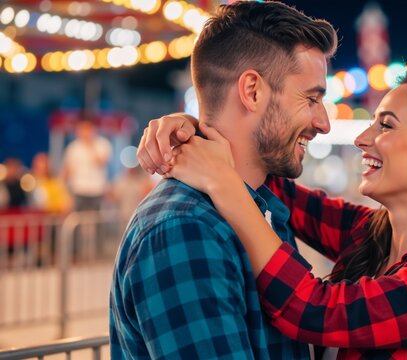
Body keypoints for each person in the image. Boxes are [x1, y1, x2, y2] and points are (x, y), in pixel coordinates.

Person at [141, 69, 407, 359]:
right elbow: (263, 175)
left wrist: (223, 185)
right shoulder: (373, 234)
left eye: (385, 125)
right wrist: (195, 129)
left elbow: (312, 308)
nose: (362, 138)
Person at [110, 1, 337, 359]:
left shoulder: (261, 205)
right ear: (252, 91)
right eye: (311, 99)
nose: (324, 123)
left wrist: (193, 130)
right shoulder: (184, 228)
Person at [61, 119, 112, 212]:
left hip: (97, 190)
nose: (84, 132)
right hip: (78, 190)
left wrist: (90, 145)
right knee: (78, 220)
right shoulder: (73, 147)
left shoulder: (102, 144)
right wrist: (66, 193)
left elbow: (101, 162)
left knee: (97, 221)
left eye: (87, 129)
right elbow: (67, 170)